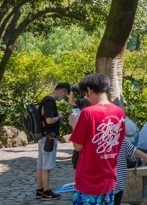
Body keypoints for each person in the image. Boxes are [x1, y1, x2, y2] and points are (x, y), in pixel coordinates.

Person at [70, 73, 126, 205]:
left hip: (88, 179)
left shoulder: (87, 112)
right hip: (109, 177)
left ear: (89, 90)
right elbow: (120, 142)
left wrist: (74, 125)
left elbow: (77, 146)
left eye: (85, 93)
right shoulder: (120, 112)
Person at [36, 82, 70, 200]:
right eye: (64, 94)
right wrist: (59, 117)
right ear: (62, 91)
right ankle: (47, 192)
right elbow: (49, 120)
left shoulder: (44, 100)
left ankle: (40, 189)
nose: (63, 97)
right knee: (47, 166)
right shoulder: (50, 102)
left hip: (42, 137)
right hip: (49, 137)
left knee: (41, 165)